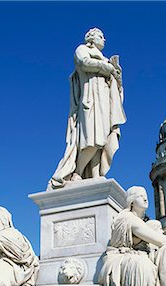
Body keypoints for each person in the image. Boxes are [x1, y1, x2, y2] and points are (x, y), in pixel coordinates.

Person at [49, 28, 126, 188]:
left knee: (102, 140)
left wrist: (116, 75)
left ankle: (96, 175)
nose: (104, 39)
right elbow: (85, 63)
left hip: (104, 101)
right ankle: (77, 172)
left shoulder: (106, 59)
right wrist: (107, 68)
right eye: (101, 36)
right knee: (91, 138)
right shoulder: (82, 49)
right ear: (91, 38)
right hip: (90, 99)